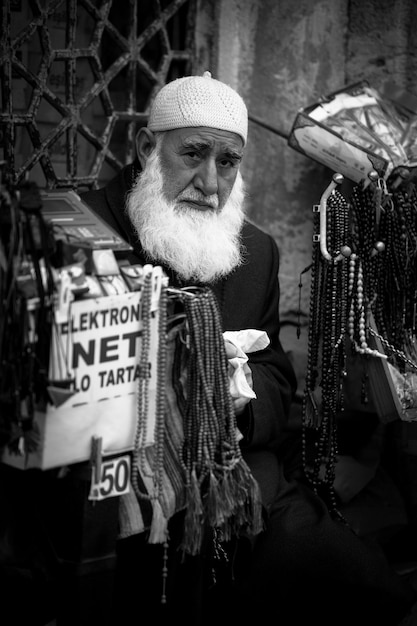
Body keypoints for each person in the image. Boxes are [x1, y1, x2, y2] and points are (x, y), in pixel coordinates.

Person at [81, 71, 416, 625]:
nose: (210, 183)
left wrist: (237, 393)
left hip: (236, 473)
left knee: (349, 578)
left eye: (227, 163)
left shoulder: (254, 252)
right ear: (147, 147)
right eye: (192, 155)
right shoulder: (82, 229)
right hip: (120, 483)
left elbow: (276, 376)